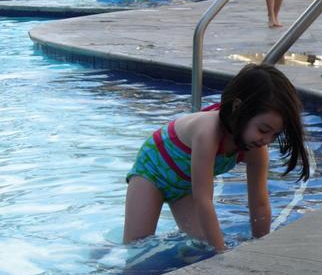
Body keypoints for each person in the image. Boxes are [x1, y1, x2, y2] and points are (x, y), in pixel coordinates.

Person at [123, 63, 310, 253]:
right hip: (153, 171)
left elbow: (259, 202)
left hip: (186, 185)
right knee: (138, 248)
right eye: (263, 130)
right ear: (238, 107)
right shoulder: (208, 133)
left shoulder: (256, 148)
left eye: (275, 135)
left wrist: (261, 246)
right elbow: (204, 199)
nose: (266, 140)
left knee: (203, 246)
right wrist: (222, 255)